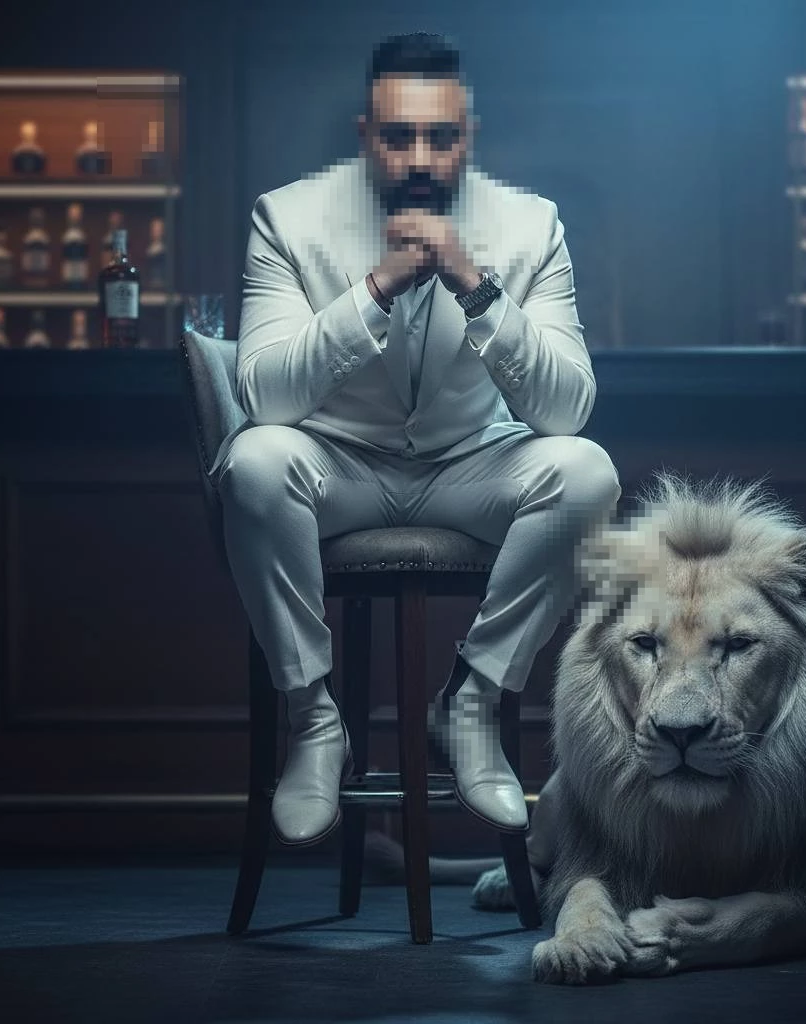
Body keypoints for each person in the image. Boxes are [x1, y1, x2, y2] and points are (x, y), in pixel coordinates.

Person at [209, 31, 621, 846]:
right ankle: (313, 719)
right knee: (253, 461)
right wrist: (375, 289)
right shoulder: (286, 219)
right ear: (366, 134)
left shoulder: (532, 226)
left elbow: (567, 411)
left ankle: (471, 699)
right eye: (400, 137)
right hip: (336, 467)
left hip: (470, 468)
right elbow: (261, 396)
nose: (422, 157)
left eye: (442, 136)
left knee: (588, 474)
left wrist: (477, 287)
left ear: (470, 132)